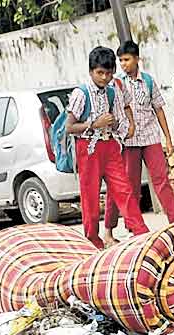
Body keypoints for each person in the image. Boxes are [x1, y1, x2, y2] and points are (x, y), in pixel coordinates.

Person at [66, 46, 149, 248]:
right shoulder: (81, 93)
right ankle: (93, 240)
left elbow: (119, 121)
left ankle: (140, 232)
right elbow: (69, 127)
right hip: (89, 149)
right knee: (90, 197)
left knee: (124, 189)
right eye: (100, 73)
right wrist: (94, 124)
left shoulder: (112, 92)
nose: (104, 77)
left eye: (108, 73)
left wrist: (115, 124)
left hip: (110, 146)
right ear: (91, 71)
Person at [102, 40, 174, 245]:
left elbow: (159, 109)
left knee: (161, 180)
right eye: (121, 61)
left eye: (127, 59)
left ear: (137, 59)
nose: (124, 64)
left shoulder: (148, 81)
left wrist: (168, 139)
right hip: (128, 141)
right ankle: (132, 228)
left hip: (151, 137)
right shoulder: (116, 83)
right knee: (132, 187)